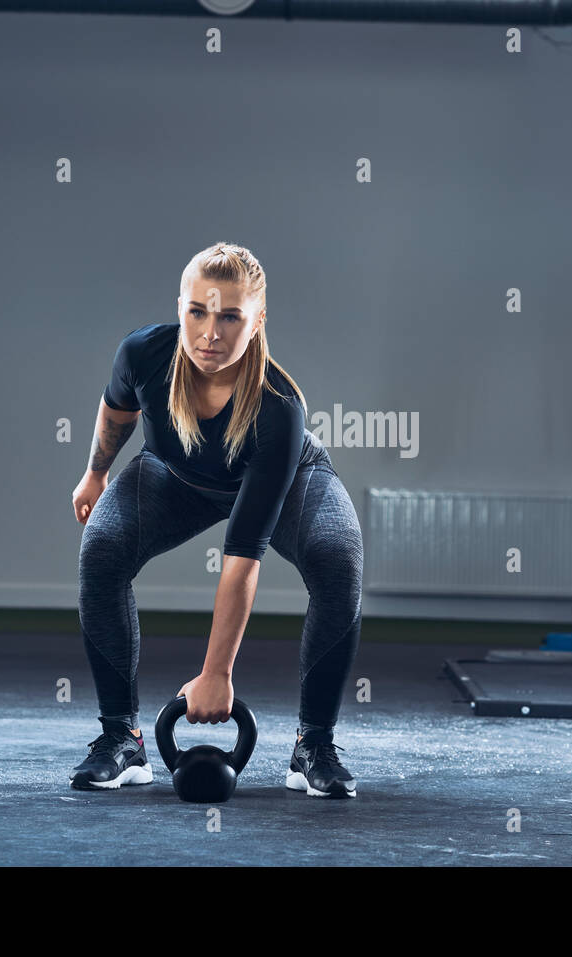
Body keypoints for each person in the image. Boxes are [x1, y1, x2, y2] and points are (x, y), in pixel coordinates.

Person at [68, 242, 363, 798]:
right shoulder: (144, 354)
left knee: (336, 557)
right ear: (179, 306)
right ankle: (121, 740)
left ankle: (313, 745)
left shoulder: (279, 409)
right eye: (198, 312)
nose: (210, 332)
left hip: (289, 479)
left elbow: (242, 555)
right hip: (177, 478)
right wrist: (95, 473)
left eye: (230, 316)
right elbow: (117, 410)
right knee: (102, 548)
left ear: (257, 321)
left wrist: (216, 674)